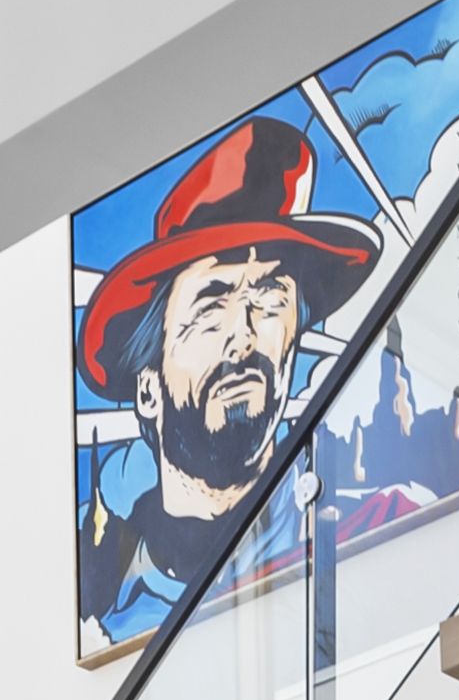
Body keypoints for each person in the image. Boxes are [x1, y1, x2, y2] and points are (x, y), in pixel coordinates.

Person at [73, 113, 380, 651]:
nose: (244, 336)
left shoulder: (369, 531)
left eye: (271, 299)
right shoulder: (105, 601)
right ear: (148, 388)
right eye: (212, 307)